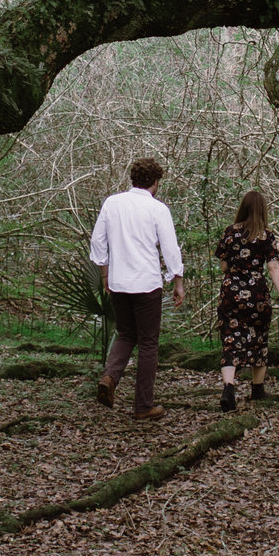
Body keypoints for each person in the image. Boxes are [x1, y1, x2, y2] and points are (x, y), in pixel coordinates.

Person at [89, 156, 183, 419]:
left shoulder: (112, 203)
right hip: (146, 283)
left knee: (126, 335)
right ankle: (143, 406)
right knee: (149, 343)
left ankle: (109, 378)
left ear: (133, 179)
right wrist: (178, 281)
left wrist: (105, 274)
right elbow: (169, 247)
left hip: (119, 282)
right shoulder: (157, 209)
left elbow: (98, 241)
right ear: (155, 182)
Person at [216, 189, 279, 410]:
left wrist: (236, 270)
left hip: (231, 292)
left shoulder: (230, 232)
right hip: (257, 293)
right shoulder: (267, 235)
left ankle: (229, 387)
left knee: (230, 338)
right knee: (258, 338)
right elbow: (273, 266)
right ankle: (257, 389)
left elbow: (223, 265)